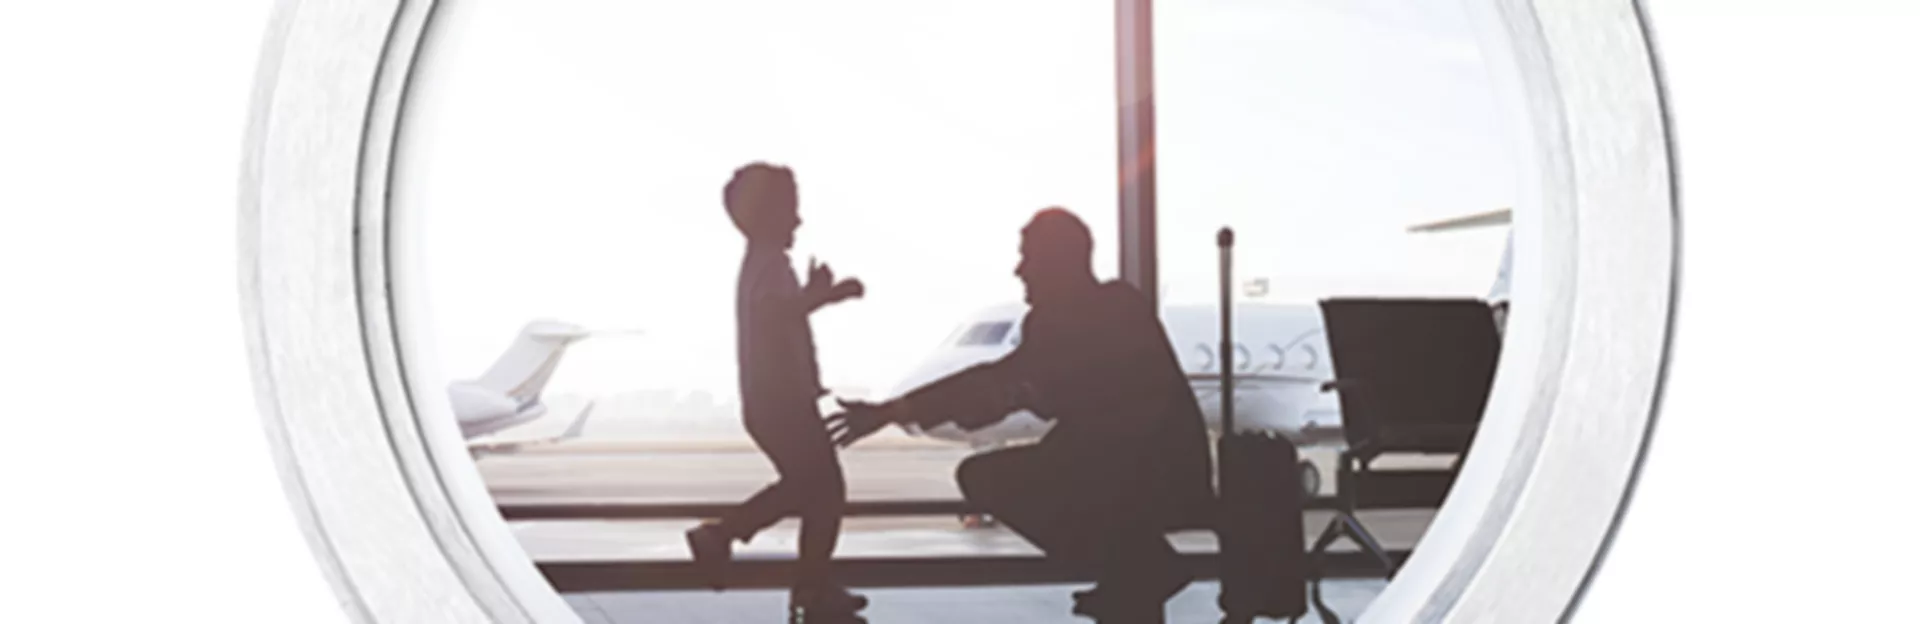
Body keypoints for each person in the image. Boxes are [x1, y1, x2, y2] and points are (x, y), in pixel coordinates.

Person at [827, 207, 1215, 624]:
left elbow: (1011, 380)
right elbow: (1011, 380)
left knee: (987, 477)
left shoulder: (1077, 320)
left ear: (1060, 263)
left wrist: (898, 410)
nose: (1020, 270)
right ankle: (1135, 571)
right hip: (1153, 475)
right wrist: (903, 409)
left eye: (1030, 257)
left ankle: (1139, 568)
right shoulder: (1112, 309)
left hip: (1139, 479)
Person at [685, 162, 869, 621]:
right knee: (823, 489)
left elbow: (779, 312)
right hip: (780, 401)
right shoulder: (769, 264)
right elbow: (774, 314)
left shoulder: (762, 265)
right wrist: (825, 296)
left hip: (776, 401)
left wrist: (811, 295)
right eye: (791, 210)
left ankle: (807, 584)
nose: (798, 221)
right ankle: (728, 537)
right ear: (767, 216)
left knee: (814, 489)